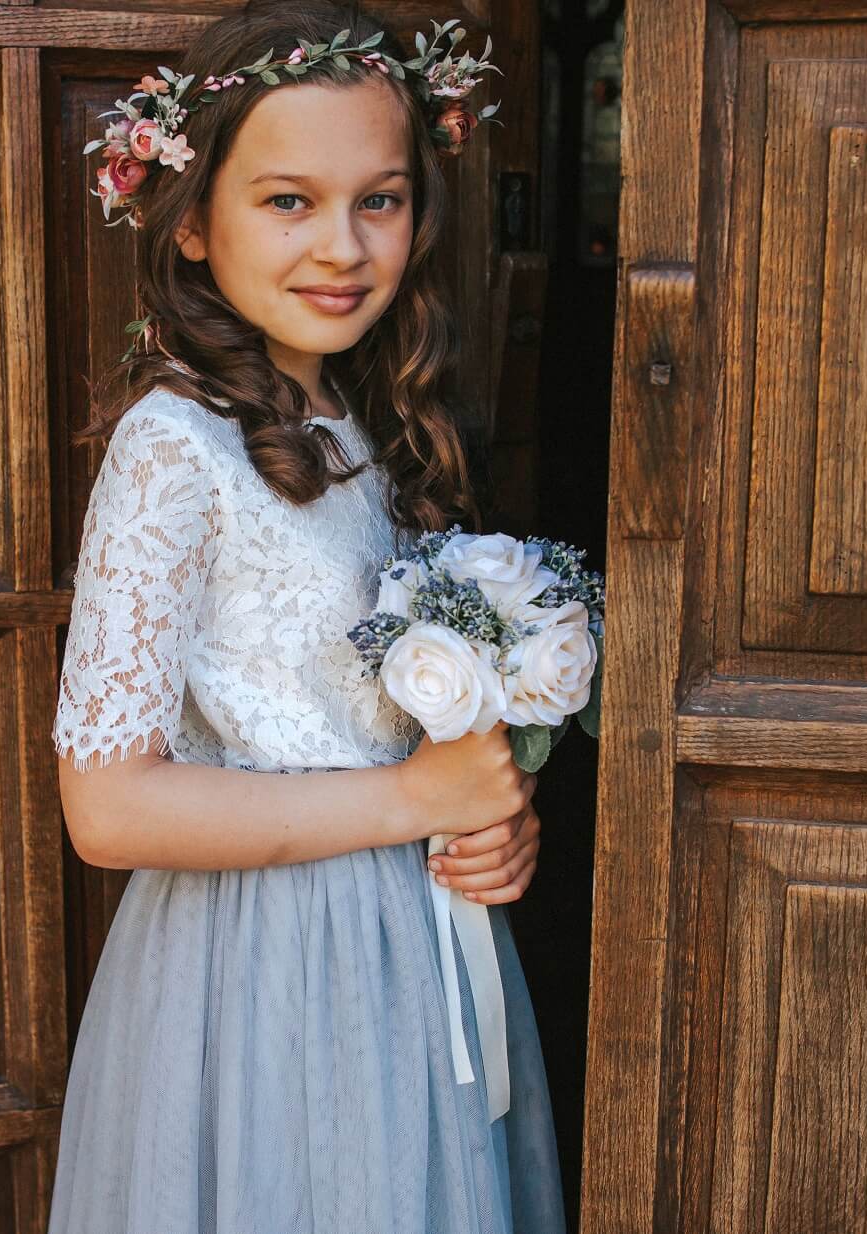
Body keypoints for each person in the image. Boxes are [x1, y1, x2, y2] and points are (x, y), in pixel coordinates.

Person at [48, 3, 568, 1230]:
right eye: (288, 200)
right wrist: (406, 801)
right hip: (259, 970)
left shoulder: (372, 423)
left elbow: (388, 718)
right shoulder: (175, 447)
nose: (341, 245)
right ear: (190, 226)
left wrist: (487, 819)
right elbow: (107, 805)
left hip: (412, 944)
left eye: (377, 200)